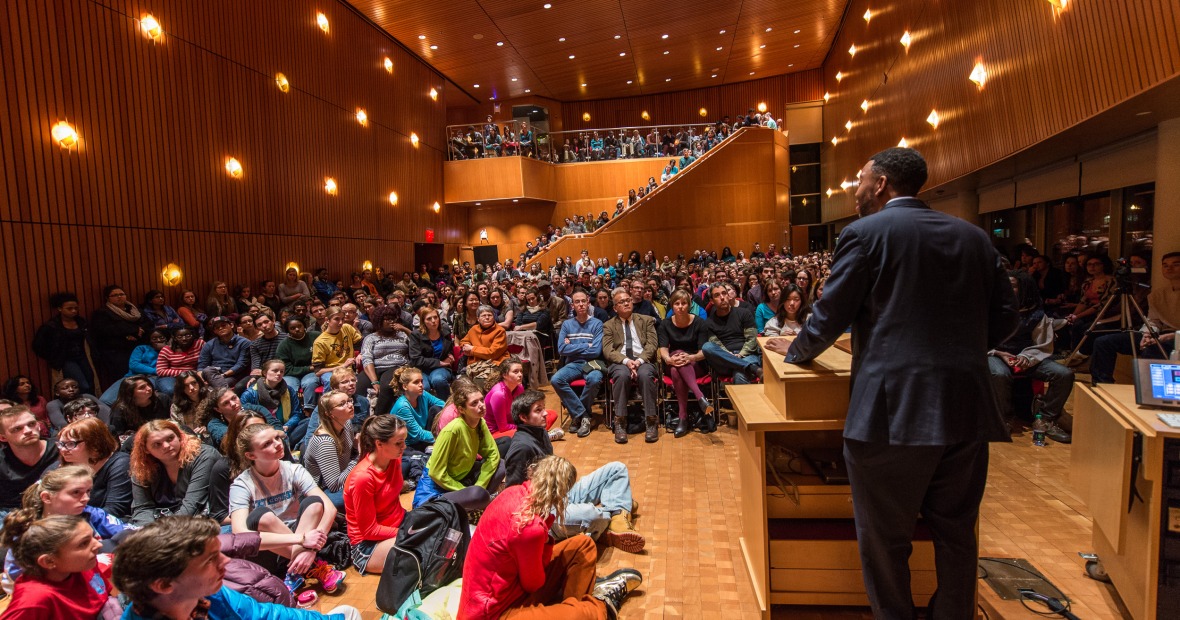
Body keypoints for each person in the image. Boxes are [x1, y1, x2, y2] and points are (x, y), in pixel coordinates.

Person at [764, 147, 1019, 619]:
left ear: (880, 184)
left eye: (860, 180)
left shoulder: (864, 234)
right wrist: (954, 354)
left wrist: (795, 349)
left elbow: (830, 314)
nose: (855, 189)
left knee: (886, 539)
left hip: (892, 412)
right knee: (957, 533)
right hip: (966, 406)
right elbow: (1007, 319)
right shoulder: (974, 237)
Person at [457, 455, 642, 620]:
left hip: (510, 589)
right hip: (494, 612)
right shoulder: (530, 527)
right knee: (585, 613)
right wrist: (545, 540)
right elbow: (533, 584)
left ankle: (574, 604)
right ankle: (602, 602)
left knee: (583, 545)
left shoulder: (512, 492)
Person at [112, 515, 361, 620]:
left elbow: (264, 615)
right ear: (164, 584)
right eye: (210, 560)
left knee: (347, 613)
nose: (226, 562)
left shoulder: (209, 594)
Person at [503, 391, 644, 553]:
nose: (545, 413)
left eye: (544, 408)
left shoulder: (540, 432)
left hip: (561, 494)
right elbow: (513, 495)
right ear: (523, 417)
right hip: (546, 513)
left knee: (617, 469)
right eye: (538, 410)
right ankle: (617, 510)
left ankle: (614, 513)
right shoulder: (521, 448)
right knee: (590, 514)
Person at [228, 424, 343, 592]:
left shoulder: (293, 470)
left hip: (303, 537)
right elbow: (240, 535)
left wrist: (312, 549)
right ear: (251, 455)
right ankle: (314, 566)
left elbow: (330, 509)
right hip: (269, 547)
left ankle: (299, 568)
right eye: (267, 444)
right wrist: (301, 540)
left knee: (315, 503)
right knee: (262, 516)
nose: (277, 444)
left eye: (276, 437)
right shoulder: (242, 484)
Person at [987, 271, 1074, 442]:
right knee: (999, 374)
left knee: (1064, 374)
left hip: (1028, 357)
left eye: (1012, 285)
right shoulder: (991, 309)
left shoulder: (1036, 315)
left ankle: (1046, 419)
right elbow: (978, 339)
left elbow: (1043, 344)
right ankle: (1004, 418)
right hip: (996, 354)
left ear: (1024, 288)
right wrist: (998, 353)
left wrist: (1026, 357)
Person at [0, 514, 117, 619]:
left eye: (92, 537)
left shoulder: (84, 565)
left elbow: (106, 598)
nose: (98, 545)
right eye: (84, 543)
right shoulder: (34, 600)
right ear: (49, 561)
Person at [413, 381, 504, 511]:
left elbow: (493, 455)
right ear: (461, 409)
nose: (481, 405)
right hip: (437, 487)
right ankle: (474, 502)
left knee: (501, 465)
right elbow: (436, 473)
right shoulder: (453, 429)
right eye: (474, 403)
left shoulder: (480, 422)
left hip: (462, 477)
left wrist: (480, 485)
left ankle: (475, 502)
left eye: (481, 400)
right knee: (477, 494)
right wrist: (465, 491)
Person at [342, 415, 408, 575]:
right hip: (368, 545)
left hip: (398, 526)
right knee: (423, 548)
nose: (404, 447)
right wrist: (405, 533)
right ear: (379, 444)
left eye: (404, 441)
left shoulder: (394, 458)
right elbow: (369, 530)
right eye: (398, 443)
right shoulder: (363, 477)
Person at [128, 419, 220, 525]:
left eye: (170, 438)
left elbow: (192, 506)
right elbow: (142, 508)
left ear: (179, 436)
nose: (166, 446)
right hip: (158, 526)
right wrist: (148, 531)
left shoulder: (203, 456)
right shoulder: (142, 466)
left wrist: (163, 532)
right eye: (157, 444)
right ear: (146, 449)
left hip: (198, 522)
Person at [602, 287, 661, 443]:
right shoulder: (609, 325)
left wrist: (639, 361)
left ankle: (651, 420)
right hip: (620, 362)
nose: (626, 303)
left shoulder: (646, 320)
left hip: (643, 360)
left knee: (645, 375)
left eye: (628, 300)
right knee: (622, 375)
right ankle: (620, 421)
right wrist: (627, 361)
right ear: (615, 308)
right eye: (622, 302)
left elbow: (652, 345)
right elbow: (608, 350)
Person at [658, 289, 713, 438]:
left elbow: (703, 352)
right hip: (672, 362)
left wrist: (691, 358)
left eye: (684, 303)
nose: (680, 307)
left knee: (676, 369)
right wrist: (668, 359)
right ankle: (700, 398)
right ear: (672, 306)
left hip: (696, 363)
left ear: (689, 305)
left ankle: (683, 418)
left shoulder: (699, 323)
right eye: (677, 304)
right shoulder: (665, 324)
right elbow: (663, 349)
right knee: (676, 355)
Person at [552, 291, 606, 438]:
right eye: (577, 302)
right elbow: (561, 349)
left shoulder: (597, 323)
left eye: (583, 301)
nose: (581, 304)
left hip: (593, 363)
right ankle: (584, 415)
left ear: (588, 303)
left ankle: (578, 417)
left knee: (594, 379)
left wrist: (572, 346)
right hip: (573, 363)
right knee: (556, 379)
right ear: (572, 305)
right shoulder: (567, 324)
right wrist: (586, 344)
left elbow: (596, 351)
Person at [56, 418, 132, 518]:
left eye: (70, 444)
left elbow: (115, 510)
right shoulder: (66, 464)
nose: (63, 450)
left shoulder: (120, 464)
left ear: (94, 444)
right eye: (61, 444)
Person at [32, 291, 98, 396]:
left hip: (83, 357)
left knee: (91, 383)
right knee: (82, 385)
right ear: (60, 309)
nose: (74, 311)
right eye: (69, 308)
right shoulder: (52, 326)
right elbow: (38, 345)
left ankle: (89, 403)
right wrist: (53, 357)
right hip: (66, 359)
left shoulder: (81, 322)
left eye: (76, 308)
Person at [302, 390, 359, 510]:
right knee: (361, 491)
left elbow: (350, 456)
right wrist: (360, 457)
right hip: (323, 490)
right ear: (329, 414)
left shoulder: (346, 423)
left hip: (342, 476)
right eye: (342, 404)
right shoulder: (325, 442)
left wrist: (356, 447)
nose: (350, 405)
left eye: (349, 401)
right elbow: (334, 486)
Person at [0, 406, 60, 516]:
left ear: (39, 426)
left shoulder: (61, 448)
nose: (28, 431)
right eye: (17, 429)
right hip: (13, 513)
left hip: (57, 507)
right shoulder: (1, 460)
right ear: (3, 438)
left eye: (31, 424)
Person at [90, 285, 150, 388]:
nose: (119, 297)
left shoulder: (135, 310)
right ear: (107, 298)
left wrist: (139, 332)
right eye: (115, 295)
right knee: (125, 380)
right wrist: (133, 331)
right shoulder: (102, 312)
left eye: (122, 294)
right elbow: (105, 330)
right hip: (117, 351)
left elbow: (148, 323)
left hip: (138, 347)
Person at [701, 283, 762, 384]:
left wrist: (741, 354)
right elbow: (715, 344)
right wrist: (729, 355)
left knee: (739, 374)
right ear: (711, 301)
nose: (722, 297)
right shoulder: (709, 322)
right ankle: (753, 368)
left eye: (724, 293)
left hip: (747, 356)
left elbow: (752, 339)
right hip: (724, 361)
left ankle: (747, 368)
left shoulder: (744, 313)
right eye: (717, 295)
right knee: (707, 347)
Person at [358, 305, 412, 417]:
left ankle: (378, 418)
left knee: (387, 386)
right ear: (379, 321)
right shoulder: (371, 338)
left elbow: (417, 342)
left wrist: (405, 329)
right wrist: (374, 381)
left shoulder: (403, 335)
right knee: (358, 387)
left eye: (393, 318)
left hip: (397, 366)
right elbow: (367, 358)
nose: (391, 321)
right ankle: (359, 420)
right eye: (387, 319)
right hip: (375, 367)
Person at [483, 358, 557, 439]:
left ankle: (538, 435)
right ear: (504, 375)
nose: (520, 375)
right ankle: (541, 436)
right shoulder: (498, 394)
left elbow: (522, 410)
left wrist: (530, 422)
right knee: (530, 427)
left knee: (550, 414)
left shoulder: (519, 387)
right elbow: (503, 427)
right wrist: (527, 425)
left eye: (521, 371)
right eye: (515, 372)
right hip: (496, 432)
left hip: (513, 423)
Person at [241, 360, 307, 447]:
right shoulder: (250, 394)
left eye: (281, 371)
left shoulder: (289, 390)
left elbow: (297, 413)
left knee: (309, 421)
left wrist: (288, 425)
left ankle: (290, 445)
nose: (279, 373)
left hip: (285, 429)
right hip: (263, 433)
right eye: (275, 371)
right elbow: (244, 417)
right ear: (265, 373)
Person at [99, 328, 169, 407]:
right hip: (132, 377)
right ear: (150, 340)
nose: (158, 340)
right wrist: (156, 370)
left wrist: (165, 349)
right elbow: (134, 365)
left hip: (152, 378)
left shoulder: (170, 350)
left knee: (133, 400)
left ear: (166, 338)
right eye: (154, 338)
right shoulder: (141, 348)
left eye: (161, 337)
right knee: (105, 401)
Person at [201, 387, 277, 448]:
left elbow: (276, 426)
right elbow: (232, 441)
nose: (233, 404)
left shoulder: (255, 409)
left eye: (234, 398)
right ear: (218, 409)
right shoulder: (215, 424)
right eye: (226, 403)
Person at [389, 366, 445, 450]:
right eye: (416, 382)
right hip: (408, 445)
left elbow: (443, 404)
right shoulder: (402, 406)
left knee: (437, 409)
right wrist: (444, 437)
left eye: (421, 381)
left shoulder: (423, 394)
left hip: (422, 437)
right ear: (405, 386)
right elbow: (418, 434)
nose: (421, 385)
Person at [409, 305, 456, 400]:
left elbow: (449, 349)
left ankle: (445, 404)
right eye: (429, 319)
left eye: (435, 317)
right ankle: (425, 408)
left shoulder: (445, 332)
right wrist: (439, 363)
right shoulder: (416, 335)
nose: (433, 321)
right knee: (424, 387)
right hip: (422, 369)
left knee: (438, 380)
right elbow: (416, 359)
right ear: (423, 321)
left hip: (441, 369)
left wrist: (450, 355)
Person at [276, 316, 322, 409]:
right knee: (289, 385)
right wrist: (309, 368)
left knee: (310, 382)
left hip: (312, 372)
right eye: (292, 328)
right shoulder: (283, 345)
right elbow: (286, 369)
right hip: (292, 374)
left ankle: (309, 409)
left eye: (299, 326)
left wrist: (313, 368)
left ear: (304, 326)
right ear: (288, 331)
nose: (297, 329)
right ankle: (294, 410)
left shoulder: (316, 336)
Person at [311, 307, 361, 389]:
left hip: (348, 370)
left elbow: (362, 344)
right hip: (331, 372)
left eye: (342, 319)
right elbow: (318, 372)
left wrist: (361, 354)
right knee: (330, 380)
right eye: (337, 319)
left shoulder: (347, 328)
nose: (341, 322)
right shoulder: (320, 342)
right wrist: (342, 366)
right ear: (327, 320)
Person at [110, 375, 171, 439]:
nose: (149, 388)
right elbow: (118, 436)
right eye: (142, 387)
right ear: (130, 392)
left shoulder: (163, 399)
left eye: (148, 384)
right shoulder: (120, 409)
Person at [460, 305, 510, 382]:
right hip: (475, 364)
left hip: (495, 363)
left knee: (479, 382)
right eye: (483, 315)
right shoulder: (474, 329)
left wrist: (472, 350)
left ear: (493, 317)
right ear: (478, 319)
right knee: (461, 383)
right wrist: (466, 347)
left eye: (489, 315)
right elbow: (463, 341)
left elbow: (492, 353)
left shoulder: (500, 331)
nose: (487, 317)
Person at [198, 316, 250, 389]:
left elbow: (241, 364)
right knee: (207, 371)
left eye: (223, 325)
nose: (220, 328)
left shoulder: (244, 342)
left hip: (234, 375)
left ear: (231, 325)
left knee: (215, 385)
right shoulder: (209, 344)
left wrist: (224, 375)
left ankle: (216, 391)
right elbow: (201, 366)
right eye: (217, 327)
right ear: (214, 331)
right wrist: (202, 381)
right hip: (213, 374)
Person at [154, 326, 205, 397]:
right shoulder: (167, 350)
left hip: (195, 375)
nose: (184, 339)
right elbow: (160, 371)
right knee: (171, 390)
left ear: (193, 335)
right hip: (171, 377)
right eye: (180, 336)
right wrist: (185, 373)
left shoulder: (200, 344)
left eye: (188, 335)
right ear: (174, 338)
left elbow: (207, 359)